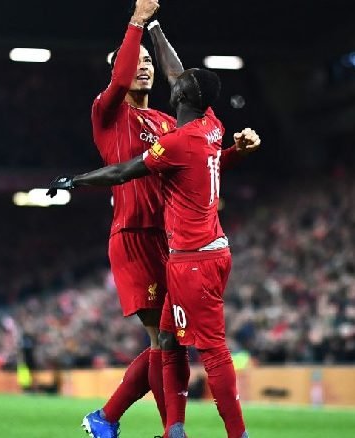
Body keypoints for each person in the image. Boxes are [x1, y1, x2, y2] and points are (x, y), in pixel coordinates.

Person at [49, 67, 258, 438]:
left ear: (180, 96)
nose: (163, 74)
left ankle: (236, 435)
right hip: (189, 252)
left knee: (210, 350)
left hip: (192, 257)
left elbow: (123, 172)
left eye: (177, 82)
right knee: (167, 339)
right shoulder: (212, 126)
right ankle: (170, 429)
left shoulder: (176, 138)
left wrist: (76, 180)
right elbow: (179, 76)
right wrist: (156, 26)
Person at [80, 0, 248, 435]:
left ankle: (109, 418)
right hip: (134, 235)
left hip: (170, 241)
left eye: (147, 62)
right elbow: (119, 82)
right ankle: (165, 426)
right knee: (163, 339)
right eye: (133, 62)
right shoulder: (109, 112)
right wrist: (138, 22)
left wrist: (231, 153)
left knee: (168, 340)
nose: (142, 68)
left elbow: (194, 167)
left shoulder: (165, 122)